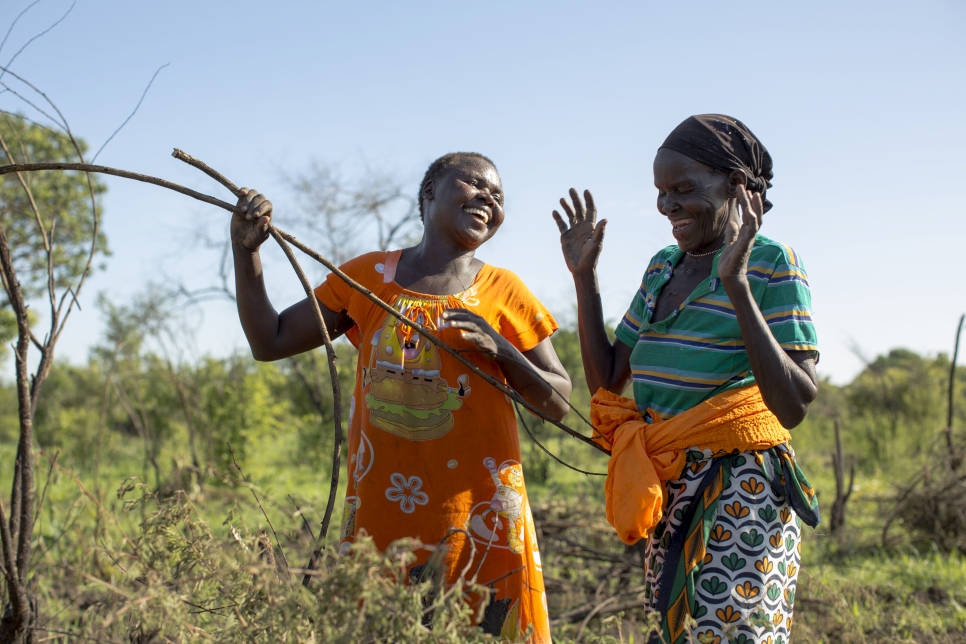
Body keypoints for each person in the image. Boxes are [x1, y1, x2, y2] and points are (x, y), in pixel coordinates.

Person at [231, 152, 570, 642]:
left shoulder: (503, 290)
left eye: (498, 196)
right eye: (474, 184)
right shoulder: (366, 278)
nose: (489, 199)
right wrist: (247, 253)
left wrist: (502, 350)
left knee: (481, 627)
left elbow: (560, 401)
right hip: (383, 512)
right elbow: (271, 340)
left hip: (480, 516)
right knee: (385, 626)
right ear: (429, 190)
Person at [552, 115, 820, 644]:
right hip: (668, 482)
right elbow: (608, 380)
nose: (666, 206)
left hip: (738, 487)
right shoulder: (662, 268)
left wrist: (737, 284)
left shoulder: (772, 263)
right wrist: (585, 280)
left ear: (737, 188)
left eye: (683, 189)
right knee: (673, 631)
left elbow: (793, 405)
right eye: (661, 192)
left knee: (730, 633)